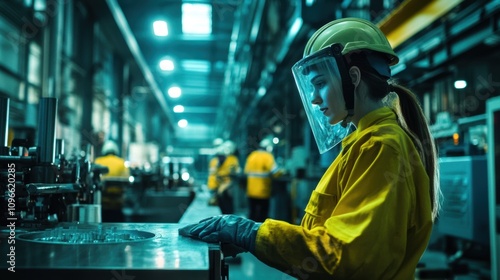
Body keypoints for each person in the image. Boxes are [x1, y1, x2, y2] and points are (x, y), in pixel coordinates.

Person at [179, 17, 440, 279]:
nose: (314, 99)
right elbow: (330, 233)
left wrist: (253, 234)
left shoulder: (381, 147)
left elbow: (344, 257)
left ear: (353, 77)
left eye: (320, 84)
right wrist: (258, 240)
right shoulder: (363, 143)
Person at [244, 137, 283, 222]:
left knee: (252, 214)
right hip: (263, 192)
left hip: (251, 191)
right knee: (263, 216)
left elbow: (246, 171)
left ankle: (249, 233)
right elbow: (275, 172)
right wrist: (282, 172)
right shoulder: (267, 156)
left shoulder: (252, 155)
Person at [94, 140, 130, 222]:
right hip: (117, 203)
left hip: (101, 202)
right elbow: (126, 180)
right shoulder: (121, 162)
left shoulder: (98, 161)